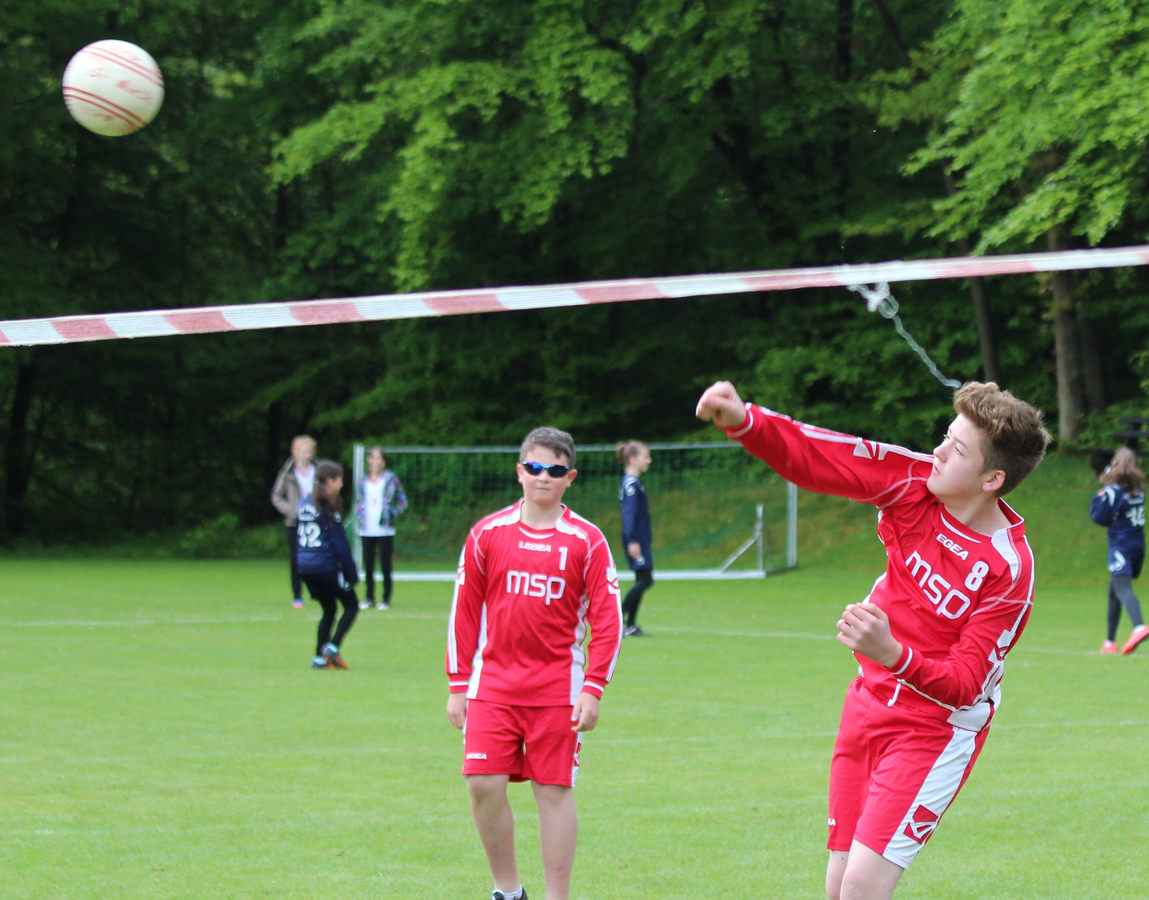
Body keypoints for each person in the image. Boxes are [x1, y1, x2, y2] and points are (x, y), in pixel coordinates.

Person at [695, 380, 1050, 900]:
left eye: (955, 450)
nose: (937, 452)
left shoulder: (1008, 569)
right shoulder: (912, 480)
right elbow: (822, 456)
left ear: (992, 478)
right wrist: (746, 421)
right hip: (867, 703)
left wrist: (892, 653)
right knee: (838, 882)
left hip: (935, 731)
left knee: (862, 885)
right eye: (945, 436)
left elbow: (967, 684)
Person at [445, 426, 623, 900]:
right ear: (520, 472)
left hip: (556, 692)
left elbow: (609, 621)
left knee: (553, 791)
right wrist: (458, 683)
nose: (545, 477)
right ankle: (507, 891)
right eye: (536, 468)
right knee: (481, 784)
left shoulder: (587, 541)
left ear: (571, 477)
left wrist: (593, 688)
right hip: (492, 687)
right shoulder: (487, 533)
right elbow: (463, 611)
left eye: (556, 470)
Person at [297, 460, 360, 669]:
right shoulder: (328, 508)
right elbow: (340, 545)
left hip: (305, 567)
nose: (341, 484)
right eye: (340, 480)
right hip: (325, 567)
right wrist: (351, 575)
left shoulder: (305, 503)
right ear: (331, 480)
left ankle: (318, 658)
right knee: (352, 605)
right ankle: (332, 647)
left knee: (329, 608)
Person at [1089, 446, 1148, 655]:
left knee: (1123, 588)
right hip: (1138, 544)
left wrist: (1100, 495)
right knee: (1114, 591)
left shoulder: (1114, 490)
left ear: (1117, 464)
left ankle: (1139, 627)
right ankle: (1109, 642)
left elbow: (1100, 517)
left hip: (1121, 544)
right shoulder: (1137, 489)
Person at [355, 446, 408, 611]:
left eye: (379, 458)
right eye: (373, 458)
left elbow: (402, 502)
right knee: (368, 565)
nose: (376, 461)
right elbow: (358, 503)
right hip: (367, 529)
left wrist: (391, 513)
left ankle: (385, 599)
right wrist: (360, 518)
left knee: (385, 565)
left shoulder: (391, 479)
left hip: (385, 529)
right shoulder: (363, 481)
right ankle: (369, 597)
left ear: (383, 462)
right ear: (369, 460)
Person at [271, 435, 316, 609]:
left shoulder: (318, 471)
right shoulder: (288, 473)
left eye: (310, 452)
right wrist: (292, 511)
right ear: (295, 453)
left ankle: (317, 591)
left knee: (316, 558)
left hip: (315, 522)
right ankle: (297, 595)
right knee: (297, 560)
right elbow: (276, 496)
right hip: (295, 523)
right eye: (304, 451)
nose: (308, 455)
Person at [617, 440, 654, 637]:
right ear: (632, 459)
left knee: (643, 578)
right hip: (635, 540)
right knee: (646, 580)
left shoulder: (634, 483)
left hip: (640, 538)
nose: (649, 460)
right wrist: (632, 540)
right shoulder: (631, 485)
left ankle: (630, 625)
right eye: (645, 456)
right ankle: (617, 620)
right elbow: (629, 514)